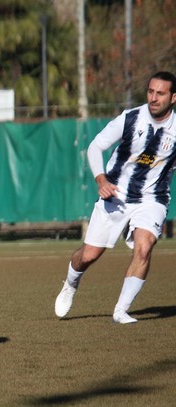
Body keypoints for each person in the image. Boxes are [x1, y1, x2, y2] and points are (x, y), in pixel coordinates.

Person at [54, 71, 176, 324]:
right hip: (116, 195)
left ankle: (121, 311)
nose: (153, 98)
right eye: (150, 91)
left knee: (144, 247)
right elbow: (96, 146)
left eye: (160, 93)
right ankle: (70, 283)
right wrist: (101, 179)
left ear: (173, 97)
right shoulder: (130, 118)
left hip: (152, 199)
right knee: (88, 256)